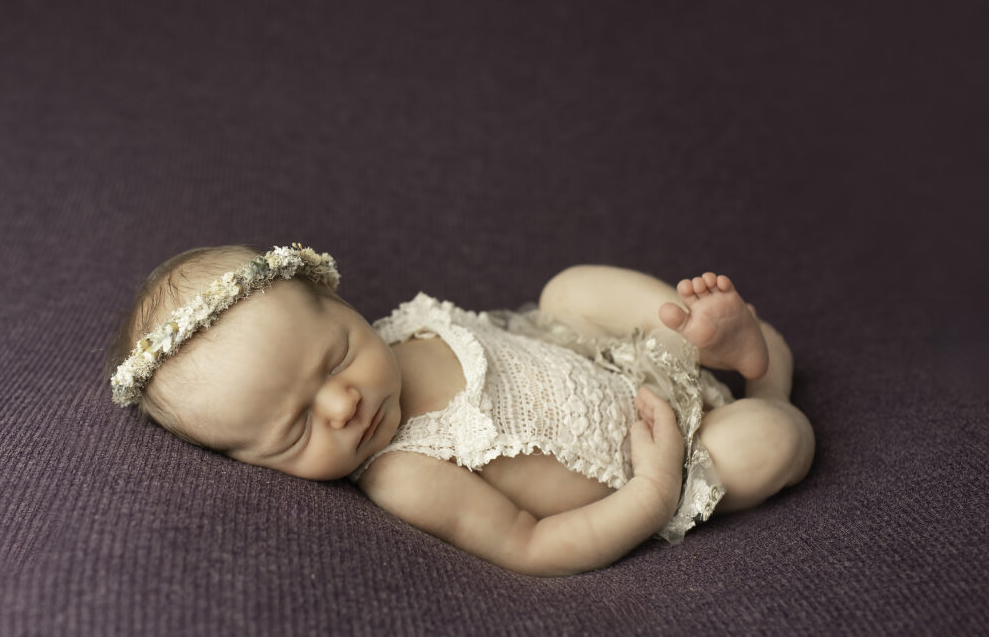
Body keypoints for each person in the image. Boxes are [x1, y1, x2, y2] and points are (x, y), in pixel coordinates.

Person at [105, 244, 814, 577]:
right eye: (295, 429)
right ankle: (766, 385)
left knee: (566, 287)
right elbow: (532, 545)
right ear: (249, 462)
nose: (343, 403)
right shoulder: (403, 473)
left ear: (345, 307)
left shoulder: (408, 325)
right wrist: (653, 492)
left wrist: (657, 349)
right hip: (669, 454)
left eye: (336, 356)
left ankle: (707, 336)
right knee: (769, 441)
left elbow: (528, 337)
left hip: (616, 363)